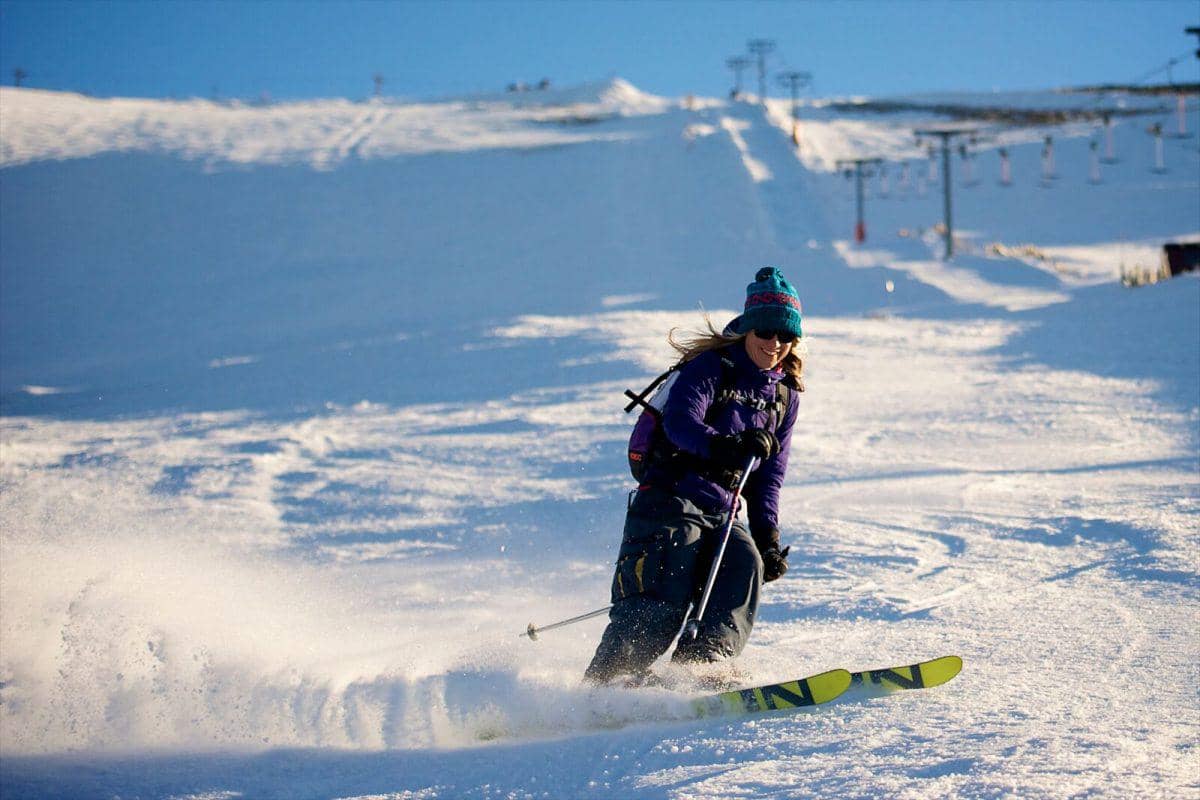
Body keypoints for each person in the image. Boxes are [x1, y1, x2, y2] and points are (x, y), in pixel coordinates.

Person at [584, 267, 804, 684]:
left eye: (785, 335)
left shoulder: (783, 395)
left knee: (745, 564)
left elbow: (769, 477)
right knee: (665, 592)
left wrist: (768, 538)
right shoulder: (710, 367)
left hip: (721, 511)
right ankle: (603, 687)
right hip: (669, 497)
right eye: (765, 332)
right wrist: (728, 446)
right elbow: (681, 423)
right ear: (747, 328)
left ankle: (699, 671)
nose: (774, 344)